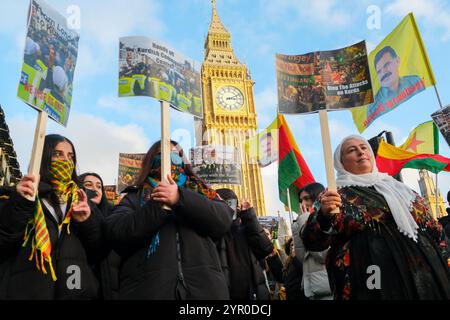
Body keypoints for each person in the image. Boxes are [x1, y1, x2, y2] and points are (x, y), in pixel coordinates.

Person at [302, 135, 450, 300]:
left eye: (364, 148)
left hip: (425, 277)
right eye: (352, 150)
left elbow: (434, 229)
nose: (360, 152)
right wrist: (324, 216)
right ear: (340, 162)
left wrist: (442, 262)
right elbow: (312, 241)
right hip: (371, 279)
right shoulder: (334, 195)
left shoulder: (401, 190)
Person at [104, 140, 232, 300]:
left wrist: (181, 198)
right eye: (162, 154)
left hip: (205, 289)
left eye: (176, 154)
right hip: (150, 290)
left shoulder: (201, 191)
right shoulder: (134, 197)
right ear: (151, 160)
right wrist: (158, 203)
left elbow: (223, 219)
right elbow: (117, 232)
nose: (170, 157)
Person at [0, 134, 105, 299]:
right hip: (27, 289)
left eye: (70, 156)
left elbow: (99, 253)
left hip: (74, 290)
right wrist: (20, 203)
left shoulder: (83, 201)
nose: (66, 161)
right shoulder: (21, 195)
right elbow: (4, 241)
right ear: (43, 158)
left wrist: (87, 222)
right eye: (58, 154)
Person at [215, 188, 274, 300]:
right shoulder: (214, 232)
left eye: (229, 204)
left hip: (253, 294)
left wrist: (249, 216)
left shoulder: (246, 228)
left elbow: (266, 249)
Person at [79, 172, 121, 300]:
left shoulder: (114, 216)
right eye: (89, 185)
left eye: (99, 186)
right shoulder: (73, 215)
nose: (95, 189)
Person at [293, 182, 333, 300]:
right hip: (312, 290)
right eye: (301, 201)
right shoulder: (301, 221)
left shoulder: (329, 218)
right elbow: (301, 257)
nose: (303, 204)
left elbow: (322, 255)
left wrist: (306, 221)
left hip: (328, 287)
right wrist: (300, 225)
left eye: (307, 199)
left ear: (318, 198)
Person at [368, 46, 425, 117]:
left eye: (387, 64)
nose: (384, 73)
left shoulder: (415, 81)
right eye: (379, 71)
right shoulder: (373, 106)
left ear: (397, 61)